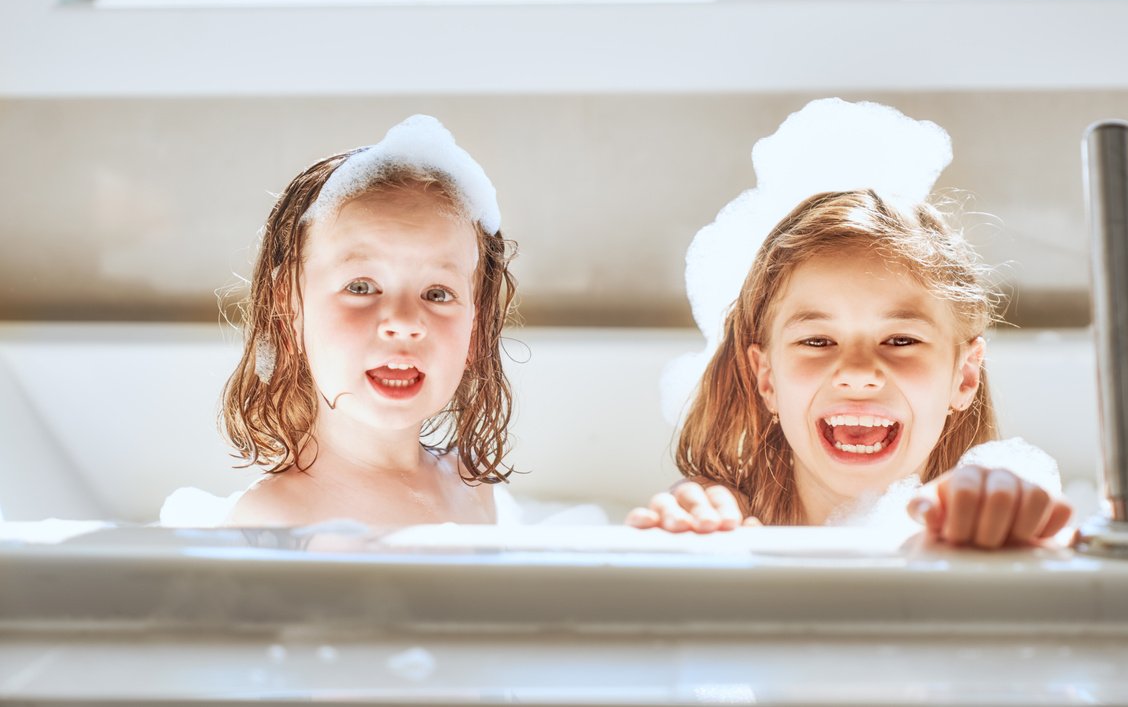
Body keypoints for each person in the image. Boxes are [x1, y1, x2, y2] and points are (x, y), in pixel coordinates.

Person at [627, 101, 1072, 547]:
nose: (858, 373)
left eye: (900, 340)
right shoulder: (728, 524)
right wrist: (686, 531)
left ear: (965, 375)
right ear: (766, 379)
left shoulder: (973, 514)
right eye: (818, 340)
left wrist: (1003, 507)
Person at [221, 115, 516, 527]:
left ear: (475, 329)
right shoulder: (276, 518)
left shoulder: (471, 489)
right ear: (289, 312)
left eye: (437, 294)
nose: (404, 322)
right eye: (361, 287)